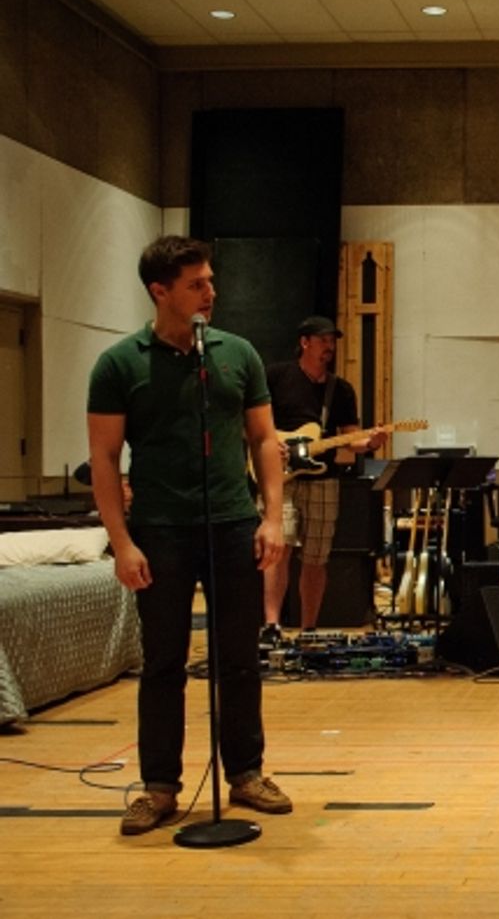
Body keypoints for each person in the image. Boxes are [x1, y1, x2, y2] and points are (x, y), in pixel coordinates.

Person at [87, 235, 291, 835]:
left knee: (240, 659)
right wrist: (122, 542)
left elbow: (263, 440)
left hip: (231, 522)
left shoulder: (237, 354)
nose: (211, 292)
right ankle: (158, 786)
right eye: (196, 284)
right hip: (160, 530)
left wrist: (272, 517)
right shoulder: (121, 364)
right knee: (163, 663)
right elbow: (103, 459)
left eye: (210, 280)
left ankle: (246, 773)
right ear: (160, 291)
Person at [262, 316, 384, 633]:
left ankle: (309, 627)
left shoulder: (340, 390)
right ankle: (272, 624)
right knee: (279, 550)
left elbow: (351, 436)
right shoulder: (276, 376)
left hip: (324, 479)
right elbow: (253, 420)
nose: (329, 347)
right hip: (282, 479)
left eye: (332, 341)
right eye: (323, 340)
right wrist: (272, 444)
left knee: (317, 557)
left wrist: (370, 442)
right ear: (305, 342)